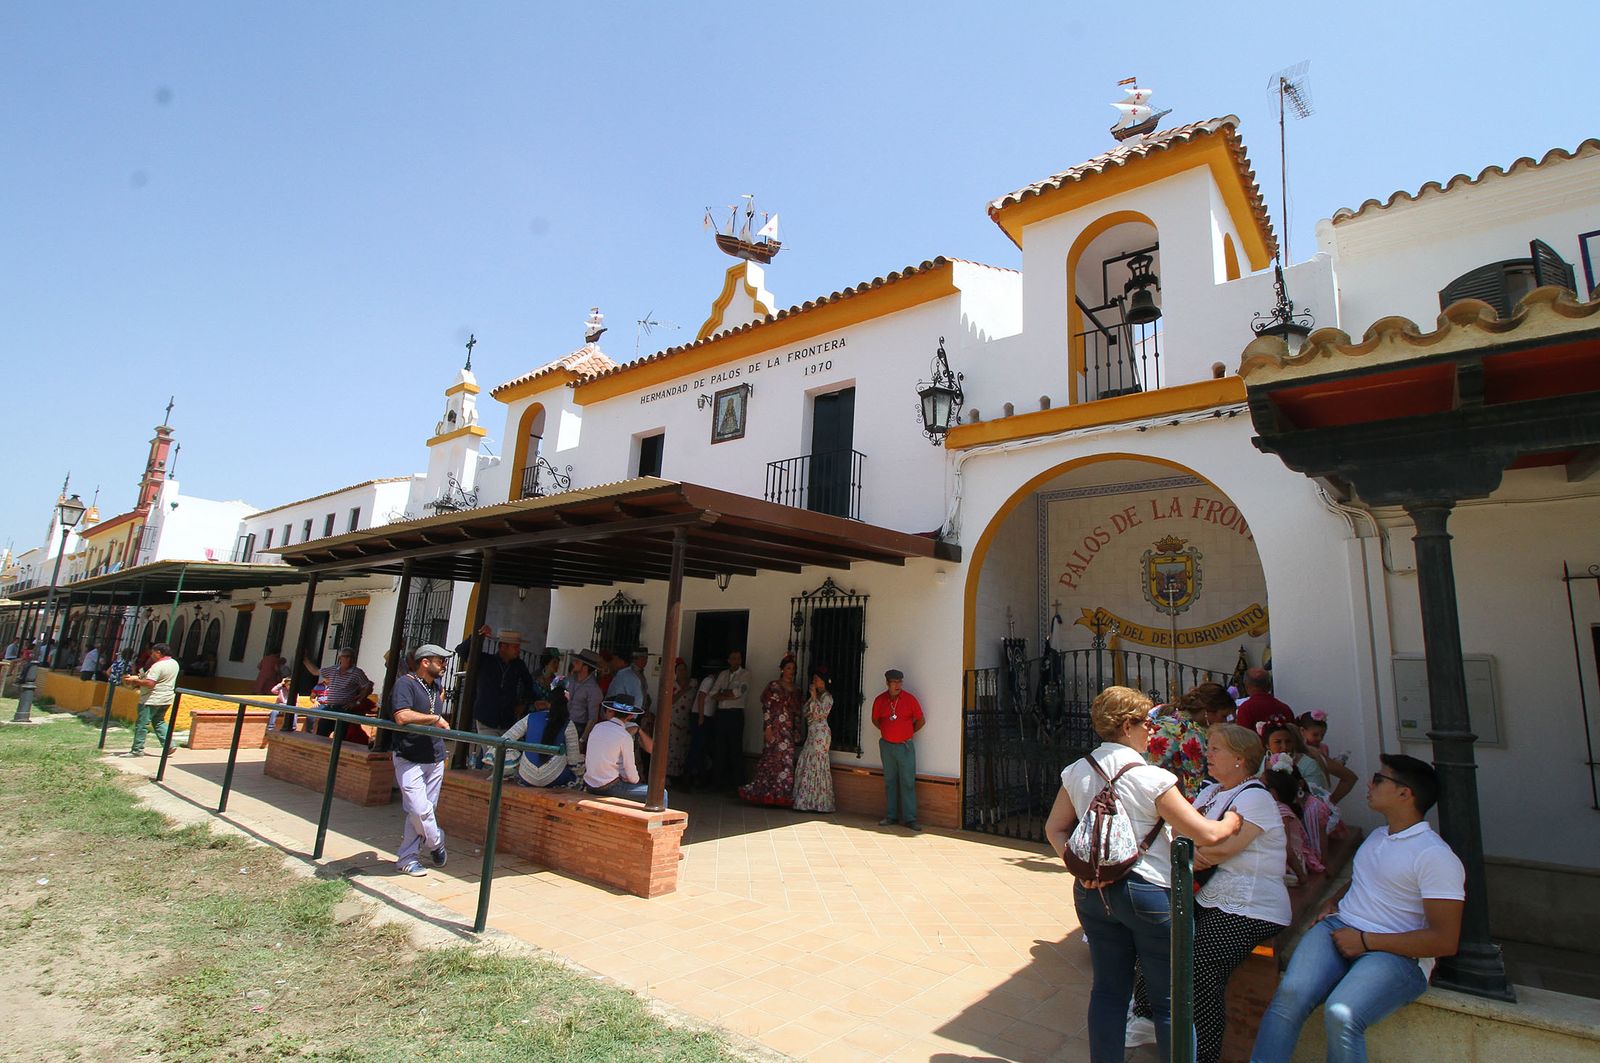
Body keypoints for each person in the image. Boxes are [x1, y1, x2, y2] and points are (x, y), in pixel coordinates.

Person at [1043, 686, 1243, 1063]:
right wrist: (1234, 819)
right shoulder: (1152, 778)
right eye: (1147, 722)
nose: (1153, 730)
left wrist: (1082, 870)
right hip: (1147, 890)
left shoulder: (1077, 771)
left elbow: (1055, 829)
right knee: (1170, 1001)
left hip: (1092, 892)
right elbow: (1205, 833)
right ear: (1127, 725)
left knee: (1107, 991)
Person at [1251, 755, 1465, 1063]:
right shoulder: (1379, 835)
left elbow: (1444, 940)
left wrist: (1365, 941)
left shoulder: (1434, 855)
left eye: (1379, 779)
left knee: (1342, 1014)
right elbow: (1362, 880)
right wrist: (1334, 901)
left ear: (1405, 793)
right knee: (1289, 997)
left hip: (1395, 954)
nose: (1369, 784)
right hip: (1339, 930)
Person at [1186, 724, 1293, 1063]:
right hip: (1210, 895)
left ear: (1240, 759)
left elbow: (1221, 850)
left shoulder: (1255, 798)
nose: (1208, 754)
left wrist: (1190, 848)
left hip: (1250, 905)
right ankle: (1146, 1017)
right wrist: (1192, 845)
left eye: (1216, 749)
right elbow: (1179, 831)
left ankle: (1205, 1055)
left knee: (1201, 968)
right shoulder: (1211, 793)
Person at [384, 644, 453, 877]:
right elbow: (401, 715)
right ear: (425, 662)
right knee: (418, 808)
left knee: (424, 811)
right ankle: (436, 841)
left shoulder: (437, 687)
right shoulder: (406, 683)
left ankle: (407, 858)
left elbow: (437, 705)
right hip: (409, 755)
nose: (444, 665)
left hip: (434, 756)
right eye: (440, 660)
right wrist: (434, 719)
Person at [454, 627, 534, 768]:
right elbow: (461, 651)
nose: (518, 650)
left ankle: (481, 771)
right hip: (486, 719)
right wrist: (477, 636)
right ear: (503, 646)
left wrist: (523, 703)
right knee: (496, 758)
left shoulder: (518, 665)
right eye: (515, 647)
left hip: (507, 720)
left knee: (500, 757)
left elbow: (529, 685)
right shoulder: (486, 661)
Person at [739, 653, 802, 807]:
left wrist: (797, 730)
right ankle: (766, 793)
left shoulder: (796, 690)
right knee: (771, 759)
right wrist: (767, 727)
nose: (791, 671)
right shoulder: (774, 686)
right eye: (788, 668)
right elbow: (766, 707)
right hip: (775, 729)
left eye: (793, 668)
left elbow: (798, 712)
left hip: (787, 731)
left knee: (786, 762)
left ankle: (781, 794)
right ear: (781, 669)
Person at [870, 668, 924, 830]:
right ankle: (891, 816)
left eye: (900, 681)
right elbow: (875, 720)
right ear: (888, 683)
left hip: (905, 746)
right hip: (887, 746)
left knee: (907, 781)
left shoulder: (909, 699)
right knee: (890, 781)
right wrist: (888, 732)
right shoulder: (880, 700)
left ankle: (910, 818)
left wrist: (906, 733)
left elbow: (921, 720)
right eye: (894, 682)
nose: (898, 685)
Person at [1260, 752, 1321, 881]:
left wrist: (1301, 876)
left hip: (1290, 864)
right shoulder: (1272, 808)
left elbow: (1286, 847)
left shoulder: (1281, 811)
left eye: (1261, 786)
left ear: (1274, 792)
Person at [582, 697, 654, 803]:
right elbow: (633, 776)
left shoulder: (597, 727)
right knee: (660, 794)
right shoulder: (625, 736)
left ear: (612, 712)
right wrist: (633, 780)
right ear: (630, 715)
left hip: (590, 785)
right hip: (608, 787)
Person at [502, 698, 583, 788]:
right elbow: (573, 760)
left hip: (526, 777)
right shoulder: (568, 723)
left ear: (546, 704)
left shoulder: (530, 717)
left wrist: (517, 763)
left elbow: (504, 740)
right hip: (557, 779)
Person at [1147, 686, 1211, 798]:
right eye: (1224, 716)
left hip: (1147, 787)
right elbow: (1194, 781)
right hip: (1165, 793)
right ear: (1207, 712)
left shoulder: (1161, 715)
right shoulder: (1191, 732)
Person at [120, 642, 180, 758]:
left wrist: (134, 681)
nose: (151, 655)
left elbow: (150, 683)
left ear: (159, 653)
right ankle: (169, 745)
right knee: (159, 721)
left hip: (152, 699)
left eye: (153, 653)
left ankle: (137, 749)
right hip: (166, 697)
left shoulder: (158, 666)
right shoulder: (174, 663)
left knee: (142, 724)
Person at [792, 664, 836, 813]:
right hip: (812, 733)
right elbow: (805, 712)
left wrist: (814, 697)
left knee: (817, 763)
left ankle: (820, 802)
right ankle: (806, 800)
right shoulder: (815, 697)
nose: (814, 681)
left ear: (823, 681)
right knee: (808, 761)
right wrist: (812, 698)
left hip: (821, 733)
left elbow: (819, 715)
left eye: (817, 679)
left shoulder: (828, 697)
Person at [307, 647, 373, 738]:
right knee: (321, 734)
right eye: (346, 656)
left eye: (351, 657)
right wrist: (305, 659)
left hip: (344, 709)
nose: (349, 659)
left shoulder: (357, 673)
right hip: (330, 707)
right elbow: (315, 672)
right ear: (340, 658)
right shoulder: (333, 669)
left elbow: (368, 686)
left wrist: (357, 702)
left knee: (339, 737)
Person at [710, 650, 751, 790]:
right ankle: (717, 783)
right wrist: (727, 694)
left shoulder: (745, 674)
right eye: (733, 658)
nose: (736, 661)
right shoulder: (723, 674)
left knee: (735, 749)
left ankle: (737, 784)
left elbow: (739, 693)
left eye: (738, 658)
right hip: (721, 714)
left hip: (735, 714)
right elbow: (713, 693)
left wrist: (723, 694)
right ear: (728, 660)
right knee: (719, 748)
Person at [1235, 668, 1294, 733]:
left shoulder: (1245, 709)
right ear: (1269, 686)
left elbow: (1242, 737)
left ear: (1246, 686)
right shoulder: (1285, 709)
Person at [566, 649, 603, 745]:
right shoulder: (571, 679)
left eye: (577, 662)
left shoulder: (594, 689)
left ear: (585, 667)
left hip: (577, 727)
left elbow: (592, 718)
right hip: (564, 721)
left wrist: (582, 739)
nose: (574, 663)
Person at [665, 658, 693, 782]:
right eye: (680, 670)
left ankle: (681, 775)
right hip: (673, 721)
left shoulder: (693, 684)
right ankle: (669, 775)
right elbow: (669, 701)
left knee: (684, 747)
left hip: (686, 720)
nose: (683, 672)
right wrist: (682, 691)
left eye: (684, 670)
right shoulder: (672, 685)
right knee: (672, 747)